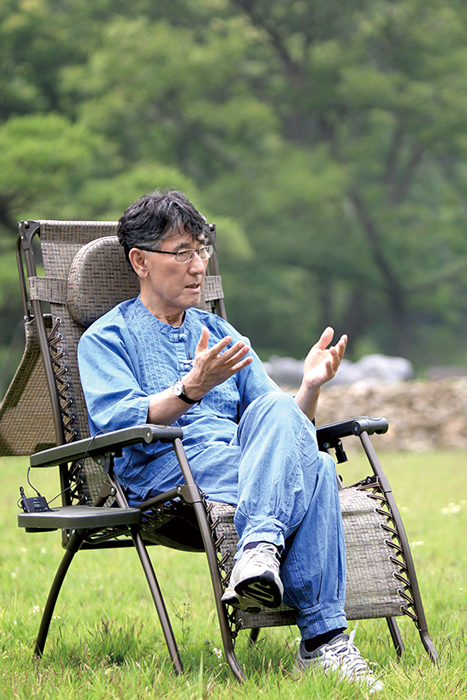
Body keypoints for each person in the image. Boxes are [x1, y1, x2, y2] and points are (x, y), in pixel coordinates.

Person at [77, 189, 383, 691]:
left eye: (201, 250)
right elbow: (114, 423)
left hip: (241, 462)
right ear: (140, 261)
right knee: (321, 472)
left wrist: (309, 386)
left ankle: (259, 550)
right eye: (182, 253)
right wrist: (190, 388)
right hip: (164, 472)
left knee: (281, 409)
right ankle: (325, 642)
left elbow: (286, 425)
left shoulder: (221, 332)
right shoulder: (106, 338)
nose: (198, 266)